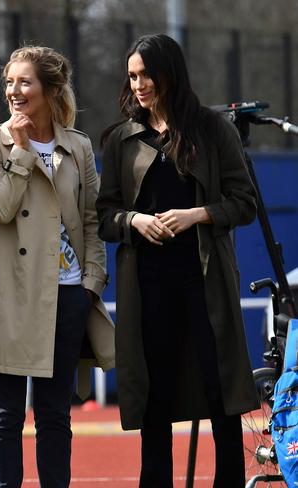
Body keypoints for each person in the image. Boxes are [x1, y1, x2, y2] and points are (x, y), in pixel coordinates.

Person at [96, 33, 259, 487]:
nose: (139, 84)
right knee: (155, 396)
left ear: (171, 74)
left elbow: (243, 203)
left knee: (219, 389)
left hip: (204, 283)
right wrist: (134, 221)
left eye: (147, 74)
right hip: (147, 286)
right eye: (132, 76)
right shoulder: (121, 140)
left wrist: (196, 214)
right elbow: (104, 217)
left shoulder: (212, 129)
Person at [0, 46, 115, 488]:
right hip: (7, 293)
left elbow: (91, 219)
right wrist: (22, 152)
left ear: (50, 89)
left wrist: (91, 284)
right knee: (3, 415)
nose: (14, 91)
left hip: (66, 294)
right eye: (9, 82)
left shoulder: (78, 145)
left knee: (54, 415)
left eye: (25, 82)